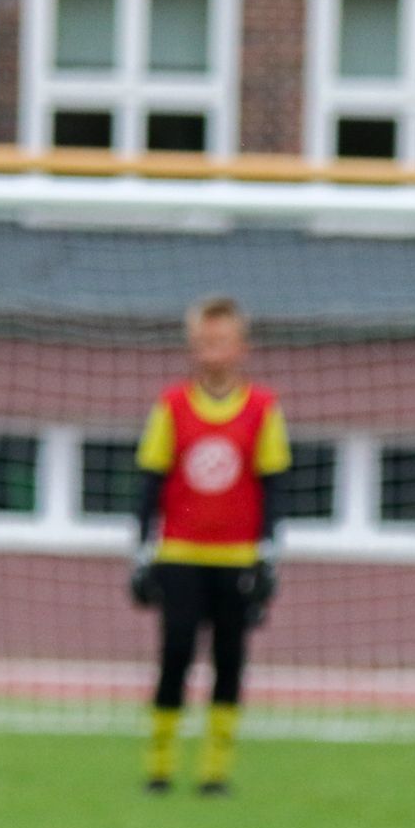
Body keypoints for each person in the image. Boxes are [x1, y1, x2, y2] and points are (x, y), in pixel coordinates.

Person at [130, 296, 292, 795]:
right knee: (175, 653)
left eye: (221, 341)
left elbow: (273, 486)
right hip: (180, 553)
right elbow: (150, 481)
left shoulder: (262, 407)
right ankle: (160, 765)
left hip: (237, 556)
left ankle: (215, 771)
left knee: (230, 659)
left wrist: (269, 555)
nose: (212, 351)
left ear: (242, 347)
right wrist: (141, 552)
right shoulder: (172, 405)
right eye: (203, 342)